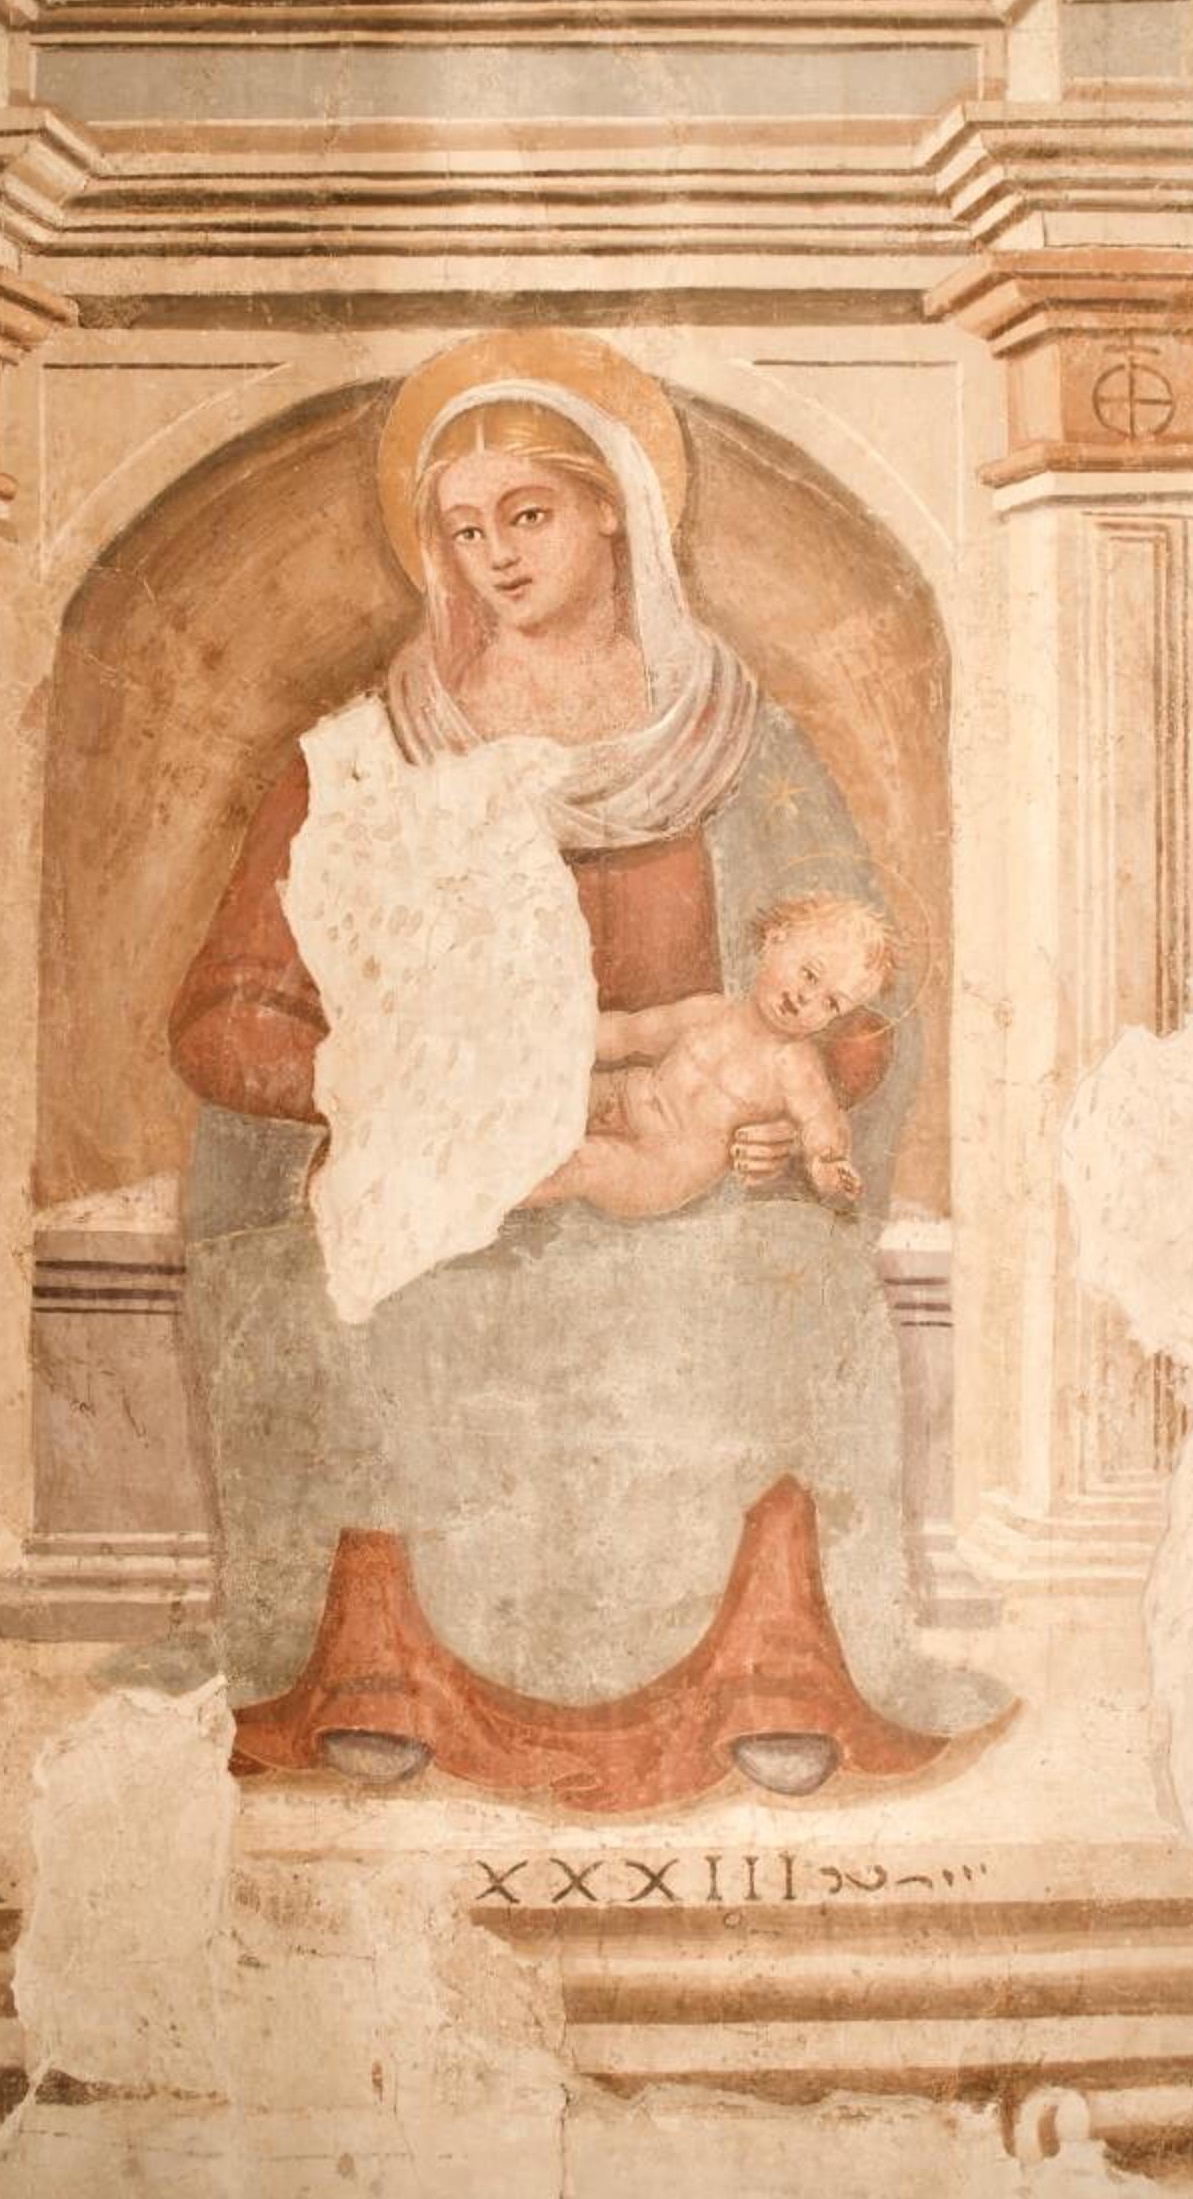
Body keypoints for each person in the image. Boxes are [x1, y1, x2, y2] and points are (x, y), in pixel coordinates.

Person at [169, 329, 941, 1790]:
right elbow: (225, 1013)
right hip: (451, 1162)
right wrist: (377, 1097)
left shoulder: (735, 741)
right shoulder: (370, 752)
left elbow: (858, 991)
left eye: (527, 514)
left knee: (771, 1277)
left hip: (683, 1167)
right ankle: (379, 1668)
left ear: (617, 511)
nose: (497, 558)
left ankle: (767, 1664)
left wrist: (787, 1107)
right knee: (381, 1285)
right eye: (463, 532)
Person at [527, 894, 898, 1222]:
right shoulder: (710, 1011)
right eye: (809, 975)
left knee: (584, 1162)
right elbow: (629, 1032)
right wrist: (560, 1037)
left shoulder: (793, 1065)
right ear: (775, 940)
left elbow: (821, 1120)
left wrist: (829, 1163)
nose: (807, 998)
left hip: (662, 1166)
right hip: (624, 1098)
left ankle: (497, 1203)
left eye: (831, 1003)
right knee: (545, 1093)